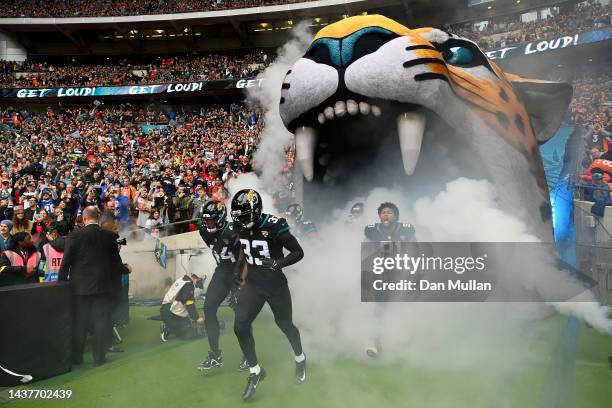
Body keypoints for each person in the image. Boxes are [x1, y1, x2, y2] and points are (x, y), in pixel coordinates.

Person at [231, 189, 306, 401]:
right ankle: (255, 371)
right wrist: (239, 271)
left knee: (285, 325)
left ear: (257, 210)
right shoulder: (239, 224)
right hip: (254, 284)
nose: (242, 220)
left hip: (275, 285)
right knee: (240, 325)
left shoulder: (274, 225)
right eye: (239, 216)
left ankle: (300, 358)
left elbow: (298, 252)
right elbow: (245, 249)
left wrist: (278, 263)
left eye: (246, 215)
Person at [58, 206, 123, 366]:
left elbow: (65, 263)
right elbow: (116, 263)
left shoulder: (74, 236)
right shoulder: (109, 236)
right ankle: (99, 357)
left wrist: (61, 283)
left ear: (84, 218)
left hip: (79, 287)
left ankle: (77, 357)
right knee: (101, 322)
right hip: (103, 286)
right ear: (98, 217)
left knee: (79, 322)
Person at [195, 200, 247, 372]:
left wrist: (241, 280)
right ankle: (215, 354)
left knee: (241, 314)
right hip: (222, 271)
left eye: (212, 220)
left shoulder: (233, 232)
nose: (208, 222)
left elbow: (245, 255)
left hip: (237, 272)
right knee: (209, 308)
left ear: (221, 218)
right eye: (206, 219)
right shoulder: (204, 231)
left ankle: (248, 354)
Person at [363, 202, 416, 358]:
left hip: (401, 273)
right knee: (380, 307)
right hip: (382, 273)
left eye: (389, 212)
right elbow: (366, 249)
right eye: (383, 212)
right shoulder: (372, 230)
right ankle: (375, 343)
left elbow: (414, 248)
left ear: (396, 216)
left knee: (402, 306)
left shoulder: (406, 229)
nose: (385, 215)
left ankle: (405, 342)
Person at [160, 274, 206, 341]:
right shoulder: (189, 285)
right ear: (194, 277)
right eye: (199, 280)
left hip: (167, 310)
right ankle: (168, 328)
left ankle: (171, 326)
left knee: (188, 324)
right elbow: (189, 305)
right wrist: (197, 318)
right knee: (189, 334)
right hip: (171, 313)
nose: (200, 283)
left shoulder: (182, 279)